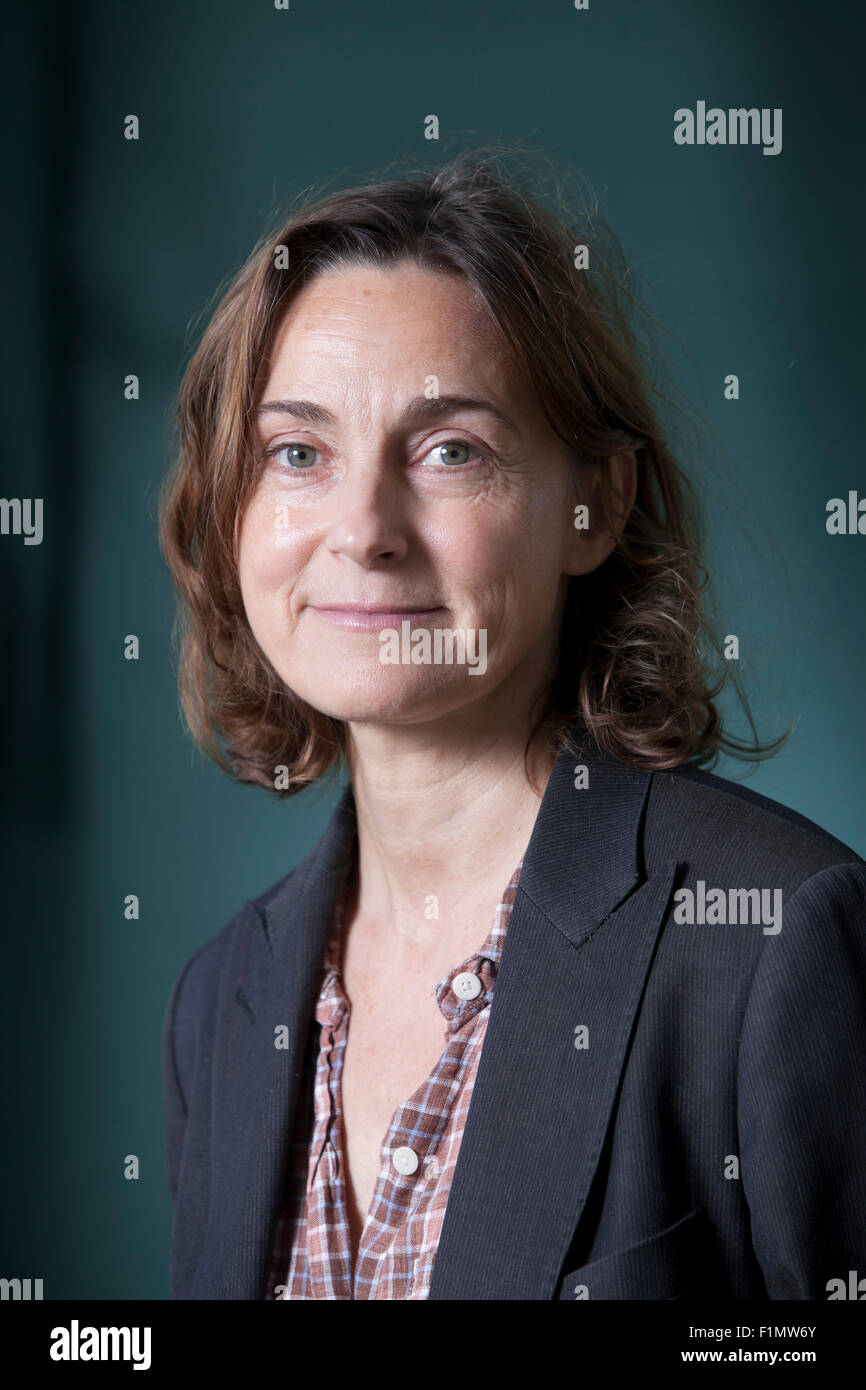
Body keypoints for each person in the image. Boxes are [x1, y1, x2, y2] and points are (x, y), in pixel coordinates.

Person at [158, 150, 866, 1300]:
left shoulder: (776, 940)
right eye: (298, 452)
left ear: (595, 506)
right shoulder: (220, 1002)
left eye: (450, 451)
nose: (364, 530)